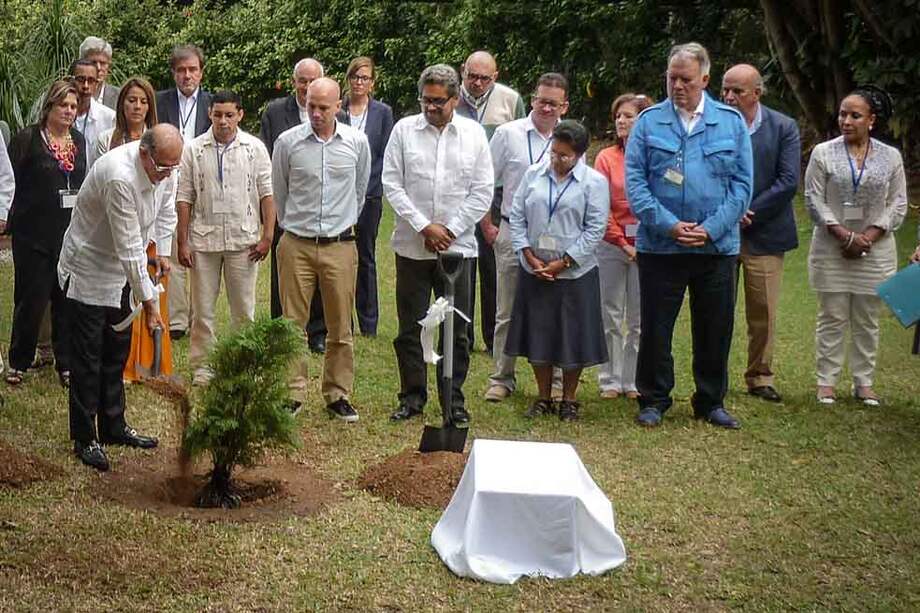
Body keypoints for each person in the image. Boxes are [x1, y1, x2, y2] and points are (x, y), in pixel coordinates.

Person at [625, 42, 753, 429]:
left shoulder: (730, 122)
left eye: (686, 79)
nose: (677, 85)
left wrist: (712, 228)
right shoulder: (648, 122)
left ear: (705, 79)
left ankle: (710, 400)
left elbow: (742, 186)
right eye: (672, 78)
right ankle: (654, 398)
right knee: (657, 327)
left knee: (715, 327)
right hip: (662, 246)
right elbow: (636, 183)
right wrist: (668, 224)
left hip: (716, 248)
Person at [58, 124, 180, 471]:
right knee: (88, 355)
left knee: (116, 350)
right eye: (163, 168)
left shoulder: (167, 167)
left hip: (127, 269)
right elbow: (128, 248)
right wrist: (152, 304)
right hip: (91, 267)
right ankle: (85, 436)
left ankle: (113, 425)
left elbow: (166, 213)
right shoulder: (119, 177)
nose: (169, 175)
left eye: (174, 168)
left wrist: (165, 252)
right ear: (144, 154)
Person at [383, 64, 494, 424]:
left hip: (458, 250)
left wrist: (449, 229)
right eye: (425, 100)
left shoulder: (474, 135)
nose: (430, 107)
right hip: (413, 248)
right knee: (411, 327)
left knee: (456, 330)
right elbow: (392, 184)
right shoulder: (403, 131)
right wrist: (424, 227)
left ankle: (453, 400)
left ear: (455, 98)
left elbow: (482, 192)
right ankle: (412, 397)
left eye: (438, 101)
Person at [271, 78, 370, 421]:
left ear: (338, 106)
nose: (315, 113)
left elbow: (360, 192)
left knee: (340, 326)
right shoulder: (288, 143)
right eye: (311, 105)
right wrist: (295, 227)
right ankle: (291, 393)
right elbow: (279, 191)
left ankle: (337, 393)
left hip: (340, 246)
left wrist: (338, 226)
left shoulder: (357, 143)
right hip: (296, 243)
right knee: (291, 324)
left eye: (323, 107)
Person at [804, 87, 907, 406]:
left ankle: (864, 382)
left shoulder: (891, 157)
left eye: (855, 115)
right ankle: (826, 382)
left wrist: (869, 236)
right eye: (842, 114)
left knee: (867, 317)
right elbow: (813, 199)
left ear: (872, 120)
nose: (846, 121)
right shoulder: (823, 152)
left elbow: (899, 203)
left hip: (875, 250)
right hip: (831, 246)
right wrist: (844, 236)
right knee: (832, 315)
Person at [505, 120, 609, 421]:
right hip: (535, 268)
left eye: (563, 155)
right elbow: (518, 215)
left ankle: (569, 399)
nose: (556, 160)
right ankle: (543, 396)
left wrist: (563, 262)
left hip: (574, 273)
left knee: (571, 336)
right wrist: (528, 254)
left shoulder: (593, 183)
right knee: (539, 333)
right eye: (553, 152)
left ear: (578, 155)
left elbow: (594, 229)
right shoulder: (533, 175)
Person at [177, 90, 275, 385]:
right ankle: (203, 367)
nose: (223, 121)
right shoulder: (193, 149)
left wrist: (267, 235)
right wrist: (183, 241)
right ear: (210, 114)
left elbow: (267, 194)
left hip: (242, 240)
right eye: (217, 114)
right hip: (203, 240)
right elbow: (184, 197)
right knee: (203, 310)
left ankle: (243, 365)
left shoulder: (254, 148)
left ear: (240, 115)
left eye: (229, 115)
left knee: (243, 309)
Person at [483, 72, 568, 403]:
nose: (545, 108)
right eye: (541, 100)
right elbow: (485, 181)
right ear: (532, 100)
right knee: (507, 309)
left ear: (564, 105)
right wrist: (489, 226)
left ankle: (558, 380)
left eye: (553, 103)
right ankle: (501, 378)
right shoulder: (508, 134)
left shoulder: (570, 136)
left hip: (556, 239)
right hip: (512, 231)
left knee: (556, 311)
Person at [721, 64, 801, 403]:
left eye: (737, 91)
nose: (728, 97)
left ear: (757, 92)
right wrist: (727, 213)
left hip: (765, 233)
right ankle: (713, 376)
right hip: (721, 232)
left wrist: (749, 211)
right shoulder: (715, 125)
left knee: (763, 311)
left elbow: (788, 181)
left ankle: (760, 376)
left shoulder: (783, 127)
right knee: (717, 309)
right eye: (725, 89)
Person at [5, 80, 87, 388]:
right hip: (32, 235)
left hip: (68, 234)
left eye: (73, 107)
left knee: (66, 301)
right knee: (31, 300)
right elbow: (9, 183)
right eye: (63, 105)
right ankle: (19, 361)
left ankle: (66, 363)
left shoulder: (78, 140)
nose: (68, 111)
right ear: (49, 107)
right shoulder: (28, 139)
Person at [95, 76, 176, 383]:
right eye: (131, 100)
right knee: (119, 300)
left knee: (149, 297)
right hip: (117, 231)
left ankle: (151, 366)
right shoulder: (108, 140)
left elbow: (168, 202)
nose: (137, 106)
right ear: (122, 104)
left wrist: (162, 248)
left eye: (143, 101)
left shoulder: (162, 141)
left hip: (150, 237)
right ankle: (122, 366)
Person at [457, 50, 526, 354]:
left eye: (485, 78)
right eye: (472, 76)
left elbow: (525, 143)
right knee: (460, 265)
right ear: (463, 72)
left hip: (496, 194)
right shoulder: (451, 99)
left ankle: (491, 337)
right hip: (458, 191)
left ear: (495, 77)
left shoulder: (510, 100)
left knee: (492, 266)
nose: (478, 83)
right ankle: (462, 335)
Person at [260, 57, 328, 354]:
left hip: (323, 204)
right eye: (303, 80)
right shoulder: (275, 112)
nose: (308, 86)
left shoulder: (332, 111)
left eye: (314, 80)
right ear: (294, 82)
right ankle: (282, 328)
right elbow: (266, 156)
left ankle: (318, 332)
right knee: (284, 269)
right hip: (285, 202)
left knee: (321, 270)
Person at [594, 93, 652, 400]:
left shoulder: (656, 156)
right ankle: (609, 379)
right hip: (611, 245)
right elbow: (600, 207)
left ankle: (633, 380)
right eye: (618, 115)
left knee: (640, 319)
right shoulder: (606, 157)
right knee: (610, 313)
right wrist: (621, 241)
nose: (621, 120)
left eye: (628, 115)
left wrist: (642, 244)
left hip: (648, 246)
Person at [156, 44, 213, 342]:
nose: (187, 75)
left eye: (192, 69)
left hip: (204, 187)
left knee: (200, 251)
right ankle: (177, 320)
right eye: (181, 70)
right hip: (169, 183)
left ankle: (201, 316)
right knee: (174, 250)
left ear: (201, 72)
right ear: (174, 73)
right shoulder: (159, 101)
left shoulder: (213, 104)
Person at [337, 56, 394, 337]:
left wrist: (367, 184)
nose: (360, 83)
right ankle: (342, 320)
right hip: (340, 196)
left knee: (367, 257)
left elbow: (385, 153)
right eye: (355, 77)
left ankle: (368, 323)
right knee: (341, 257)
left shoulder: (383, 112)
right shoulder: (338, 110)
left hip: (370, 195)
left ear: (373, 82)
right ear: (348, 79)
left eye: (365, 78)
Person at [70, 59, 115, 167]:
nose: (86, 86)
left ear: (96, 84)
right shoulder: (56, 114)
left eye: (91, 81)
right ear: (70, 81)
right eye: (80, 79)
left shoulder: (109, 118)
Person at [79, 36, 120, 110]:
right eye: (93, 62)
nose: (98, 68)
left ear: (109, 66)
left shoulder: (119, 96)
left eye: (103, 63)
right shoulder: (69, 94)